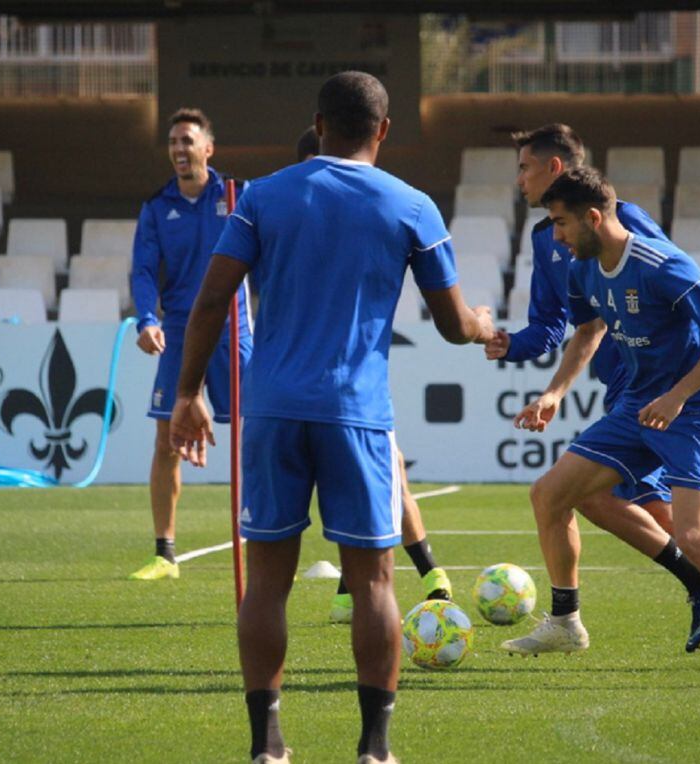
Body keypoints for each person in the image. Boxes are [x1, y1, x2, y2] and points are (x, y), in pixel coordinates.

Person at [171, 72, 495, 764]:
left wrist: (187, 394)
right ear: (383, 130)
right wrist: (481, 323)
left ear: (318, 124)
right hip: (357, 416)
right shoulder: (412, 206)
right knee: (375, 582)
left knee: (267, 581)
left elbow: (209, 303)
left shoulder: (262, 196)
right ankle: (375, 750)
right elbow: (450, 325)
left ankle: (268, 746)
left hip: (273, 410)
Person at [508, 166, 700, 691]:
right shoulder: (583, 268)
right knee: (551, 494)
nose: (556, 236)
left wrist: (678, 395)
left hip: (692, 412)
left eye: (561, 223)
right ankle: (565, 623)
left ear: (594, 217)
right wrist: (554, 392)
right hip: (636, 408)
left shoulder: (662, 263)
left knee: (693, 537)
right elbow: (588, 333)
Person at [484, 123, 700, 670]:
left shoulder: (622, 225)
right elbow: (559, 327)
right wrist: (513, 350)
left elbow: (682, 302)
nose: (518, 179)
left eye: (524, 167)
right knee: (594, 500)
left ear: (554, 170)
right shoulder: (546, 238)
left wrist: (677, 392)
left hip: (658, 395)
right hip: (624, 395)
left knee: (663, 520)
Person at [296, 125, 454, 623]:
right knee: (355, 488)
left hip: (348, 389)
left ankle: (428, 577)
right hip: (318, 391)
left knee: (386, 480)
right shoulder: (301, 227)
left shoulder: (359, 218)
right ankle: (373, 584)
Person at [128, 107, 253, 581]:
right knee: (166, 440)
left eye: (188, 140)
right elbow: (142, 270)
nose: (179, 149)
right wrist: (145, 319)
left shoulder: (238, 196)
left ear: (208, 148)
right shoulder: (157, 207)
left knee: (258, 432)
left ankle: (265, 534)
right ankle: (165, 553)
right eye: (174, 142)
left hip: (233, 329)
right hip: (179, 329)